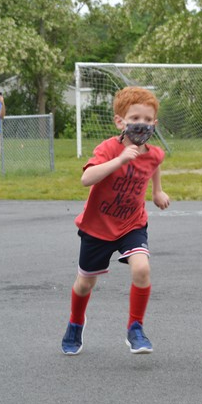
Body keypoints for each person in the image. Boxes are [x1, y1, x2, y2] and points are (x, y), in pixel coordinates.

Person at [61, 86, 170, 356]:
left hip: (132, 224)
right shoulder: (109, 148)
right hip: (97, 227)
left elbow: (154, 164)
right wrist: (120, 160)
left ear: (155, 123)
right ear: (120, 122)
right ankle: (76, 322)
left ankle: (135, 328)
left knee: (141, 269)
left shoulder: (154, 153)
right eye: (135, 118)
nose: (142, 124)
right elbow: (86, 178)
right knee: (85, 283)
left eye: (148, 119)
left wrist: (157, 191)